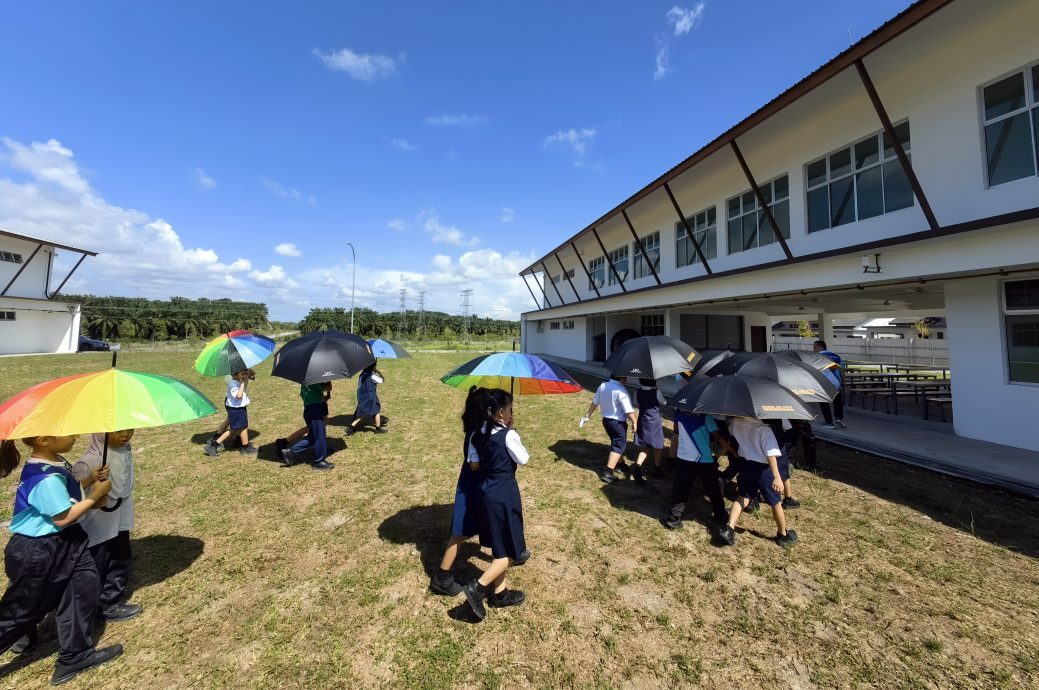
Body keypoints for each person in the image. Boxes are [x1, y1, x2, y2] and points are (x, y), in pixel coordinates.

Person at [0, 436, 124, 684]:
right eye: (67, 433)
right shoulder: (43, 477)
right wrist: (94, 496)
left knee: (83, 589)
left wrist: (89, 481)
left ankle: (75, 655)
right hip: (40, 549)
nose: (75, 435)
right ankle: (21, 636)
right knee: (22, 610)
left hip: (66, 542)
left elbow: (68, 490)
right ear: (44, 440)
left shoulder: (54, 462)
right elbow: (62, 517)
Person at [461, 390, 529, 621]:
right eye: (510, 408)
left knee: (499, 545)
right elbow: (524, 459)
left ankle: (499, 594)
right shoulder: (508, 436)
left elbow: (474, 465)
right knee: (512, 551)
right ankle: (477, 588)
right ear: (501, 413)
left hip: (485, 491)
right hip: (504, 493)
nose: (512, 412)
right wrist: (513, 434)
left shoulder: (476, 434)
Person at [72, 431, 143, 623]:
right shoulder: (88, 462)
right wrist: (92, 484)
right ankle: (93, 607)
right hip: (96, 525)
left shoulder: (124, 452)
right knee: (98, 562)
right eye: (118, 431)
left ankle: (110, 603)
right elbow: (70, 496)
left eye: (130, 429)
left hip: (119, 518)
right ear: (101, 434)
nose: (126, 435)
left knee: (120, 556)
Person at [429, 387, 488, 596]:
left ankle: (511, 552)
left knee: (491, 521)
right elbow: (475, 465)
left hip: (477, 487)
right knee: (460, 532)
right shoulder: (476, 434)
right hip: (471, 488)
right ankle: (441, 577)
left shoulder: (478, 428)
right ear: (485, 411)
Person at [716, 416, 798, 548]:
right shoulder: (765, 430)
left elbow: (732, 434)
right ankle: (783, 534)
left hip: (746, 465)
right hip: (763, 470)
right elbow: (770, 455)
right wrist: (777, 477)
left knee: (743, 496)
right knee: (775, 502)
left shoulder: (736, 423)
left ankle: (728, 529)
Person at [663, 410, 736, 530]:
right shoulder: (706, 416)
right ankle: (721, 515)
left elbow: (676, 429)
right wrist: (733, 451)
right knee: (713, 488)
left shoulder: (678, 413)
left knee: (680, 488)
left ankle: (673, 519)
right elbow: (717, 436)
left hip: (683, 456)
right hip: (704, 459)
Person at [582, 375, 638, 484]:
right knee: (618, 445)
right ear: (621, 378)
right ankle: (608, 473)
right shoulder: (621, 390)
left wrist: (588, 414)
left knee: (616, 442)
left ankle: (620, 465)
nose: (627, 379)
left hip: (606, 421)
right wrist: (634, 421)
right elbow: (628, 409)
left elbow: (595, 402)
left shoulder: (603, 385)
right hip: (617, 423)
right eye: (626, 377)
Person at [281, 382, 335, 471]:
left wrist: (321, 398)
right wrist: (329, 380)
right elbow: (328, 388)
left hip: (308, 410)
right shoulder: (314, 381)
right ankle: (319, 461)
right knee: (320, 435)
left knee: (313, 436)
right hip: (315, 411)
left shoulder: (304, 383)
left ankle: (291, 452)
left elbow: (308, 396)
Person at [205, 369, 257, 456]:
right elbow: (239, 396)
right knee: (234, 429)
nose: (245, 376)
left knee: (242, 427)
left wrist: (246, 373)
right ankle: (214, 444)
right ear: (235, 375)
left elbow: (252, 373)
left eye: (245, 374)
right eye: (242, 374)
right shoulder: (233, 384)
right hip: (236, 409)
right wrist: (242, 384)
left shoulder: (237, 380)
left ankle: (245, 446)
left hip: (239, 407)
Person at [632, 378, 666, 483]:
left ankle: (637, 467)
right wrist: (657, 390)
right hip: (654, 422)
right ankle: (657, 469)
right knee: (658, 446)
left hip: (643, 420)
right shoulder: (656, 392)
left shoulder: (637, 391)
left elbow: (635, 403)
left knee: (645, 445)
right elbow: (664, 402)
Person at [347, 361, 387, 435]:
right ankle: (377, 429)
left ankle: (351, 427)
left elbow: (359, 387)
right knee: (375, 410)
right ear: (373, 367)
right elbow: (382, 380)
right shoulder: (372, 376)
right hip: (370, 397)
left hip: (362, 395)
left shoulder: (361, 375)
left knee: (362, 411)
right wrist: (378, 371)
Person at [814, 340, 846, 429]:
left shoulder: (817, 357)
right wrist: (843, 382)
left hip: (824, 383)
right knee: (837, 402)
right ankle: (839, 419)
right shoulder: (836, 356)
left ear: (820, 346)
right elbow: (842, 370)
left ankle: (829, 422)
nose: (814, 349)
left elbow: (814, 371)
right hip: (836, 383)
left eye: (815, 347)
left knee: (824, 402)